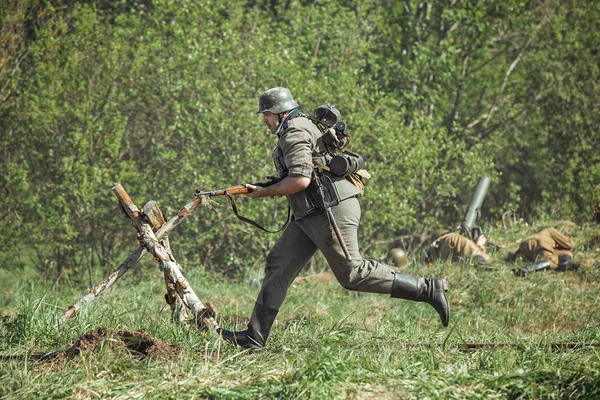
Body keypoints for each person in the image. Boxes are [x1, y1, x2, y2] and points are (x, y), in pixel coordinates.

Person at [217, 87, 449, 349]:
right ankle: (254, 337)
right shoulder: (301, 124)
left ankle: (429, 288)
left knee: (352, 274)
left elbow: (301, 179)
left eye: (266, 115)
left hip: (330, 211)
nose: (264, 121)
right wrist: (268, 186)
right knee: (278, 263)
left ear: (279, 114)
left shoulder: (294, 132)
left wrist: (265, 193)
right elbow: (306, 171)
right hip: (311, 212)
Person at [510, 228, 576, 276]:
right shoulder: (550, 231)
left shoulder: (539, 234)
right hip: (541, 242)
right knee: (551, 260)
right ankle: (526, 268)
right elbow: (569, 244)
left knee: (555, 255)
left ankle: (564, 263)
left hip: (524, 244)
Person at [426, 229, 493, 269]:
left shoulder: (438, 244)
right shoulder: (453, 237)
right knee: (481, 257)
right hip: (451, 240)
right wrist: (480, 245)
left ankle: (476, 263)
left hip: (444, 247)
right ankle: (481, 263)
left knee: (451, 262)